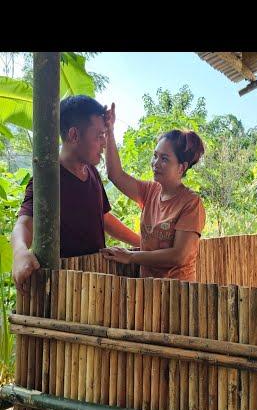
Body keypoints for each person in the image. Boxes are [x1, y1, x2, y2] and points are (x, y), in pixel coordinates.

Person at [11, 95, 140, 294]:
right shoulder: (48, 180)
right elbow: (24, 224)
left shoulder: (92, 172)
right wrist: (19, 252)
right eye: (98, 136)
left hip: (94, 284)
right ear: (74, 135)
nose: (103, 143)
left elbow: (104, 218)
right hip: (63, 289)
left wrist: (142, 243)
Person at [100, 103, 206, 281]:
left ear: (182, 167)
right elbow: (115, 175)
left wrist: (131, 256)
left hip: (179, 295)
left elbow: (179, 256)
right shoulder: (150, 191)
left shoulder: (191, 203)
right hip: (149, 291)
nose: (155, 163)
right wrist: (110, 131)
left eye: (164, 159)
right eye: (155, 156)